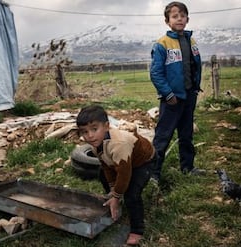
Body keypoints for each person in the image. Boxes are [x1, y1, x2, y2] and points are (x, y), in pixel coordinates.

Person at [76, 105, 155, 245]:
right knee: (102, 174)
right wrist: (113, 189)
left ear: (106, 126)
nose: (90, 135)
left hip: (143, 161)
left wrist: (118, 193)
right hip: (121, 162)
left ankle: (137, 229)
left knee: (132, 194)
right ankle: (114, 201)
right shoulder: (96, 143)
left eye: (94, 129)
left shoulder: (119, 144)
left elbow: (124, 174)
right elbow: (106, 165)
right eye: (84, 132)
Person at [149, 1, 205, 182]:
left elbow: (194, 68)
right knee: (163, 137)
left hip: (189, 97)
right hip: (172, 100)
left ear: (187, 19)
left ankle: (187, 168)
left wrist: (194, 91)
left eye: (182, 15)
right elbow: (156, 74)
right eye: (175, 16)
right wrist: (168, 94)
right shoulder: (162, 44)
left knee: (186, 135)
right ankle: (153, 174)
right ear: (167, 21)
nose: (179, 19)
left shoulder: (192, 41)